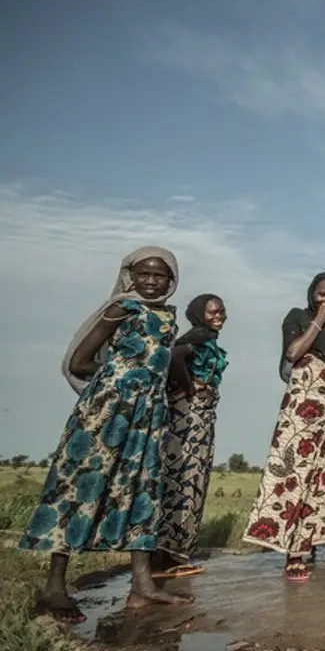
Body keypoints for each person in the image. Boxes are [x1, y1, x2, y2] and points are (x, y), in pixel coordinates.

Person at [19, 247, 193, 620]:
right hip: (106, 413)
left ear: (171, 281)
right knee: (80, 488)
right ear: (130, 276)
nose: (150, 281)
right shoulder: (120, 309)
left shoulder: (166, 316)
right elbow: (79, 360)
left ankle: (142, 588)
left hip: (147, 416)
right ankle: (54, 588)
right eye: (143, 274)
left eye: (159, 276)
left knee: (144, 491)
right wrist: (119, 381)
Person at [242, 273, 325, 581]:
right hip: (306, 400)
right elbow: (292, 354)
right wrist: (319, 319)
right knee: (299, 471)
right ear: (311, 294)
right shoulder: (298, 317)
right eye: (322, 295)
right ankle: (296, 552)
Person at [152, 293, 229, 579]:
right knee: (184, 476)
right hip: (189, 416)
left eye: (221, 311)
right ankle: (166, 555)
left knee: (192, 477)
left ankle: (174, 553)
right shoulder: (196, 337)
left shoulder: (205, 338)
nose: (219, 316)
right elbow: (174, 356)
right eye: (212, 312)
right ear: (199, 314)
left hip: (200, 416)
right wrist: (190, 387)